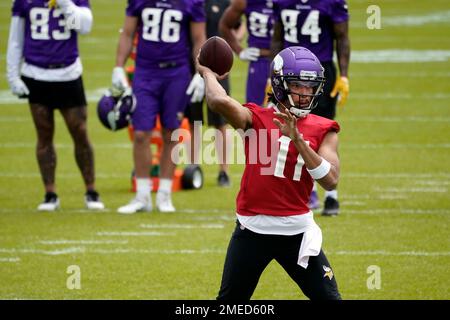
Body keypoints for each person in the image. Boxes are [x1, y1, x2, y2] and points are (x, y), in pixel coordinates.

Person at [197, 46, 341, 299]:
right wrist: (207, 72)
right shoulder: (256, 118)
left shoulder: (323, 128)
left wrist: (298, 141)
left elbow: (330, 181)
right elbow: (218, 101)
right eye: (298, 85)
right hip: (253, 230)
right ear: (280, 84)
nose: (306, 93)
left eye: (310, 86)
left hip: (297, 232)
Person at [6, 0, 104, 211]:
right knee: (44, 133)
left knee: (80, 131)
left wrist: (65, 4)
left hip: (67, 72)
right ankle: (50, 193)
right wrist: (12, 74)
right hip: (35, 72)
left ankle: (91, 191)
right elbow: (16, 38)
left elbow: (85, 27)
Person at [112, 0, 206, 214]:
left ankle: (164, 194)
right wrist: (118, 66)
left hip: (176, 72)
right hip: (145, 72)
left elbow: (199, 38)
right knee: (141, 133)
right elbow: (127, 32)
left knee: (171, 132)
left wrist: (201, 72)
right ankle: (142, 195)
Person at [271, 0, 350, 216]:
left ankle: (331, 195)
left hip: (320, 74)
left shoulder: (332, 2)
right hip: (289, 76)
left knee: (324, 132)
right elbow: (276, 38)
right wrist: (274, 74)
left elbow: (342, 37)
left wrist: (343, 75)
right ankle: (310, 191)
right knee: (294, 129)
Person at [185, 0, 245, 187]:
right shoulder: (190, 4)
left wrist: (231, 43)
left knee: (221, 122)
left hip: (218, 69)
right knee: (193, 121)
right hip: (191, 67)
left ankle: (223, 172)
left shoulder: (224, 3)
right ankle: (193, 167)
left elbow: (240, 24)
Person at [219, 0, 274, 106]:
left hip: (287, 58)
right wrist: (239, 51)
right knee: (254, 111)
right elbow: (224, 25)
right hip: (259, 60)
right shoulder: (243, 2)